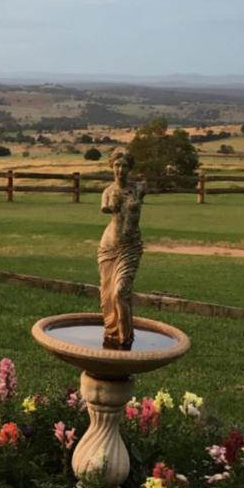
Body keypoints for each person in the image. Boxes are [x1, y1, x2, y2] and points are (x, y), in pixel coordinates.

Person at [97, 148, 145, 349]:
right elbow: (107, 208)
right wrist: (114, 204)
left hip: (130, 247)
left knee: (120, 292)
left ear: (130, 168)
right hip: (108, 246)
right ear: (111, 167)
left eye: (124, 165)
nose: (120, 169)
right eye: (117, 165)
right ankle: (112, 333)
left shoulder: (139, 188)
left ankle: (126, 339)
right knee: (108, 293)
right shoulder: (108, 192)